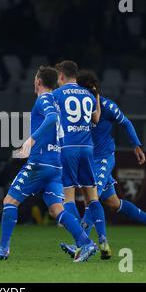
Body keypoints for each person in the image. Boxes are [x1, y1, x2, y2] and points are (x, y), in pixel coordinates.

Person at [0, 66, 98, 262]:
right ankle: (86, 243)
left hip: (40, 163)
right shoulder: (56, 101)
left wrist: (30, 141)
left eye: (35, 78)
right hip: (56, 164)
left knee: (9, 201)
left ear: (38, 81)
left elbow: (51, 119)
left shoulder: (44, 99)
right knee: (56, 209)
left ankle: (3, 248)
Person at [60, 70, 146, 259]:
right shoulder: (81, 107)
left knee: (92, 197)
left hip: (103, 158)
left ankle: (82, 241)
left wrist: (136, 145)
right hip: (88, 160)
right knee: (114, 203)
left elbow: (125, 123)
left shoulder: (107, 106)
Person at [52, 61, 112, 259]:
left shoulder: (57, 95)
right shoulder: (87, 94)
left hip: (68, 149)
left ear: (61, 76)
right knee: (92, 198)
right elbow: (96, 118)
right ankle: (103, 242)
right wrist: (95, 97)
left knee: (68, 198)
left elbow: (50, 120)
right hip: (88, 149)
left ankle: (82, 243)